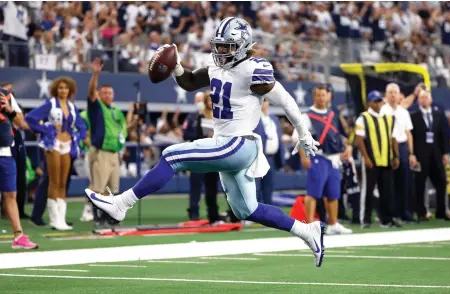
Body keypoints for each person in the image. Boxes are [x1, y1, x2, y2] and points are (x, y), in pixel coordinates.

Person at [86, 17, 325, 267]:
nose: (221, 51)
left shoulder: (254, 69)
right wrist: (176, 67)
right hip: (230, 145)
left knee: (171, 156)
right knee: (248, 210)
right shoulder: (217, 67)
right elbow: (188, 81)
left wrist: (304, 133)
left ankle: (121, 204)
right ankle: (307, 231)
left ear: (243, 45)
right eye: (219, 45)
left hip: (238, 143)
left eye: (227, 47)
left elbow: (285, 100)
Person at [26, 77, 87, 231]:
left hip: (67, 145)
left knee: (63, 182)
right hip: (52, 144)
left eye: (66, 88)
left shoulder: (72, 107)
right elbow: (30, 118)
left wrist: (75, 136)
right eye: (60, 88)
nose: (63, 90)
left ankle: (61, 219)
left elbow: (82, 127)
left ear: (70, 90)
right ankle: (54, 220)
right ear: (55, 89)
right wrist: (47, 129)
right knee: (53, 181)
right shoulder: (50, 104)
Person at [294, 84, 352, 235]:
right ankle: (309, 225)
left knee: (333, 193)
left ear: (328, 96)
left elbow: (341, 136)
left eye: (323, 95)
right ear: (314, 97)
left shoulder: (333, 115)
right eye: (318, 95)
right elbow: (300, 138)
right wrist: (304, 156)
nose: (321, 98)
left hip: (334, 158)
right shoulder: (307, 116)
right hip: (317, 157)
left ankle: (333, 223)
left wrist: (348, 147)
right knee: (313, 192)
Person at [87, 58, 127, 227]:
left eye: (110, 93)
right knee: (99, 187)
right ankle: (98, 217)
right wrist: (95, 74)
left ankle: (109, 216)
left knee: (113, 188)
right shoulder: (97, 107)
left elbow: (122, 131)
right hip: (101, 151)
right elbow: (90, 93)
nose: (108, 95)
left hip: (114, 152)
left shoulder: (116, 111)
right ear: (99, 94)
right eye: (104, 93)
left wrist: (121, 147)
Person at [355, 91, 401, 228]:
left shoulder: (389, 118)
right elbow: (359, 140)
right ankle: (366, 219)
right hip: (371, 160)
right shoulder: (363, 118)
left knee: (387, 191)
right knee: (368, 191)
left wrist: (396, 155)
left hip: (386, 159)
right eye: (375, 101)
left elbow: (393, 138)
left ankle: (386, 219)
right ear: (369, 102)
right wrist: (366, 158)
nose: (378, 103)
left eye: (379, 100)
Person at [0, 89, 38, 249]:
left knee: (10, 194)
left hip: (6, 152)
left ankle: (18, 236)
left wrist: (9, 109)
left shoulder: (6, 95)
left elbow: (22, 123)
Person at [410, 91, 450, 221]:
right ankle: (422, 212)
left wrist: (445, 152)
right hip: (420, 154)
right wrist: (412, 154)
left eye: (426, 97)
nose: (424, 100)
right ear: (418, 100)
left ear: (431, 99)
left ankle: (442, 210)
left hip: (436, 154)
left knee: (441, 182)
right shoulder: (413, 116)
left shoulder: (438, 114)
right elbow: (411, 136)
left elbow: (444, 134)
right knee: (420, 184)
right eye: (421, 98)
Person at [182, 91, 222, 224]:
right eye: (208, 100)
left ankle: (213, 215)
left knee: (212, 188)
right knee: (196, 187)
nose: (210, 103)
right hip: (199, 155)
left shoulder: (220, 116)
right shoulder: (196, 116)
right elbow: (190, 135)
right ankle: (194, 213)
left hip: (214, 157)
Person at [380, 83, 417, 222]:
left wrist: (411, 153)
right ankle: (391, 213)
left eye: (395, 92)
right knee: (389, 182)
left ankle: (405, 212)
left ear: (399, 95)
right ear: (386, 95)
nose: (393, 95)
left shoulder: (404, 112)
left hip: (402, 147)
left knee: (405, 181)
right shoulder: (382, 111)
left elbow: (409, 134)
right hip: (387, 147)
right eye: (390, 92)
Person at [253, 99, 285, 205]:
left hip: (272, 158)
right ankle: (253, 213)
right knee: (255, 187)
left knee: (269, 187)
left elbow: (278, 137)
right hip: (257, 157)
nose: (263, 103)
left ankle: (268, 213)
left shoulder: (274, 118)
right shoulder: (252, 117)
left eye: (265, 100)